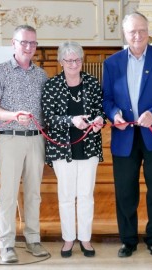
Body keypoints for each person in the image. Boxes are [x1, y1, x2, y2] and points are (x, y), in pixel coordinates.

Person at [102, 12, 152, 258]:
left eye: (142, 30)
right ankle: (128, 239)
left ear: (149, 31)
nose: (137, 35)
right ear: (124, 34)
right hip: (124, 136)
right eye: (132, 31)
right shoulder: (112, 63)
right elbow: (107, 99)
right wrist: (114, 114)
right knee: (125, 190)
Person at [0, 25, 49, 263]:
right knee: (9, 195)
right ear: (14, 43)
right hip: (11, 138)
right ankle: (7, 244)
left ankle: (33, 239)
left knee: (34, 193)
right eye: (24, 42)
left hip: (36, 139)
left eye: (33, 43)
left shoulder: (41, 74)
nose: (29, 47)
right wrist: (12, 115)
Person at [42, 41, 105, 258]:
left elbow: (101, 111)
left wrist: (98, 120)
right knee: (67, 195)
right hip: (63, 149)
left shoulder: (92, 83)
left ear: (82, 61)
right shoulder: (52, 86)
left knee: (86, 195)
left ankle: (85, 238)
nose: (73, 63)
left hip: (89, 147)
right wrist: (72, 120)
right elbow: (48, 118)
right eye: (68, 60)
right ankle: (68, 238)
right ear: (61, 62)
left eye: (77, 59)